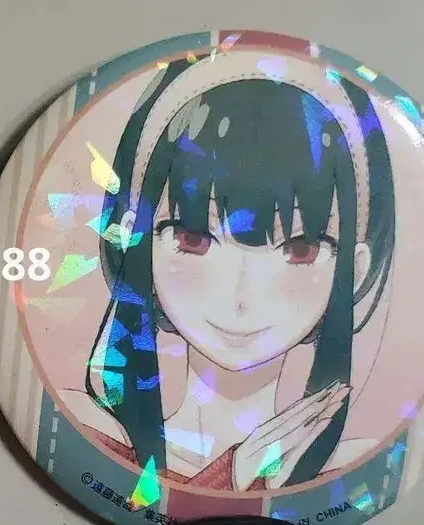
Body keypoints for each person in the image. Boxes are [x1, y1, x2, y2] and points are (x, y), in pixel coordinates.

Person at [61, 57, 396, 490]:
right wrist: (231, 475)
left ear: (354, 268)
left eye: (300, 249)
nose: (241, 296)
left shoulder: (355, 470)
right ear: (133, 241)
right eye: (193, 239)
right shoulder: (88, 434)